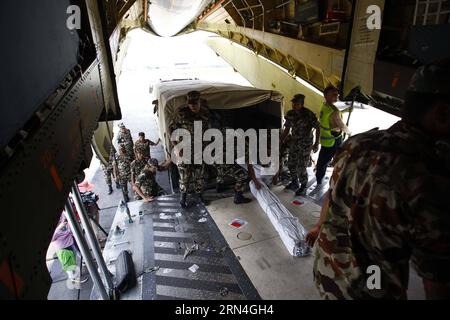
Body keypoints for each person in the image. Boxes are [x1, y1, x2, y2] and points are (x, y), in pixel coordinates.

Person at [306, 59, 450, 300]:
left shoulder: (357, 144)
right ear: (442, 113)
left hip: (328, 273)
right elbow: (437, 278)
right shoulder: (427, 177)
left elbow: (332, 196)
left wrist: (320, 226)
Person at [169, 90, 211, 208]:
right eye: (190, 103)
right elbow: (170, 129)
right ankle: (183, 199)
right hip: (184, 151)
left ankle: (200, 197)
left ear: (199, 101)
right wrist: (176, 146)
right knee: (184, 177)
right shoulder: (181, 114)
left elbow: (208, 130)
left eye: (195, 103)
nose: (192, 106)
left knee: (199, 176)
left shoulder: (205, 113)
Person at [280, 94, 320, 195]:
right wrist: (281, 141)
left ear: (301, 104)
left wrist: (316, 143)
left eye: (296, 103)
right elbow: (287, 129)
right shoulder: (290, 114)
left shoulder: (309, 114)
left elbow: (318, 128)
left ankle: (303, 186)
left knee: (301, 166)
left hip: (306, 144)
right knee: (291, 163)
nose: (294, 105)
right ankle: (294, 182)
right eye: (293, 103)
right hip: (294, 142)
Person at [315, 86, 352, 185]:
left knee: (322, 161)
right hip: (334, 140)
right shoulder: (334, 111)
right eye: (334, 94)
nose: (336, 96)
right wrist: (350, 133)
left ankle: (319, 179)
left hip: (326, 140)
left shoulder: (325, 106)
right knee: (338, 161)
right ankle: (336, 182)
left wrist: (347, 110)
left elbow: (334, 112)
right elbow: (342, 126)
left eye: (337, 94)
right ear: (326, 96)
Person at [215, 128, 262, 204]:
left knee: (222, 168)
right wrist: (256, 182)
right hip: (222, 158)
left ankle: (219, 185)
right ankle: (238, 197)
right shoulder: (246, 147)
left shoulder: (233, 134)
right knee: (242, 175)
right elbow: (250, 168)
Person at [51, 214, 88, 285]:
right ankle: (73, 277)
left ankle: (82, 264)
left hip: (70, 242)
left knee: (74, 256)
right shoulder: (58, 227)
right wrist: (59, 228)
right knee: (69, 264)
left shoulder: (63, 215)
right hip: (62, 247)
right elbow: (52, 239)